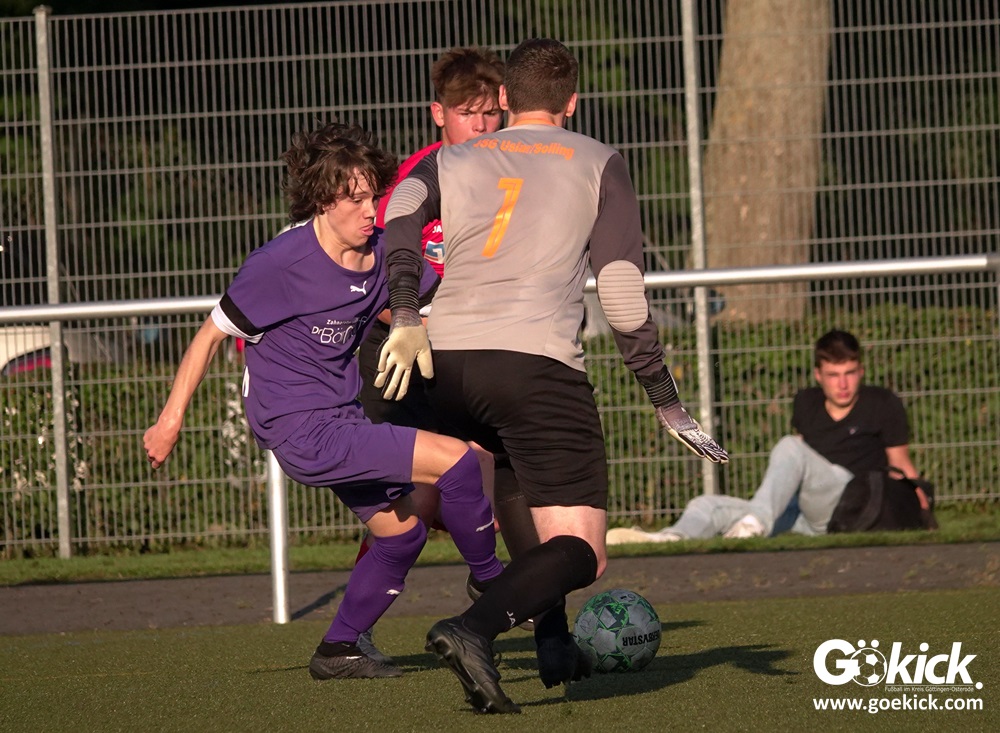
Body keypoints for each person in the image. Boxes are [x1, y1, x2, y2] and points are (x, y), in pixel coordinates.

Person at [377, 38, 727, 713]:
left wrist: (405, 309)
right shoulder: (599, 161)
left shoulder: (454, 157)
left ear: (505, 98)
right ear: (573, 102)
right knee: (583, 550)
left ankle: (551, 634)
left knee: (513, 472)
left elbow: (399, 208)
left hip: (442, 363)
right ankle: (473, 628)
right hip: (533, 366)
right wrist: (664, 396)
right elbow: (620, 293)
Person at [142, 121, 505, 681]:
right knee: (457, 461)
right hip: (298, 426)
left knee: (404, 531)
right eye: (354, 199)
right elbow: (211, 333)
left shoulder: (380, 254)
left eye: (373, 196)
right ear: (321, 200)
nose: (369, 211)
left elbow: (427, 304)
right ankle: (493, 587)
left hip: (342, 417)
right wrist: (169, 422)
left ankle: (339, 649)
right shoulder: (281, 263)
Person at [350, 47, 540, 661]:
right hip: (402, 358)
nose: (481, 126)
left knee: (495, 471)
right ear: (439, 114)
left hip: (471, 352)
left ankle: (509, 594)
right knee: (411, 506)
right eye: (466, 114)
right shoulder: (413, 184)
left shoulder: (515, 178)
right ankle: (354, 630)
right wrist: (414, 323)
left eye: (490, 114)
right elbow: (376, 288)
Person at [606, 329, 923, 545]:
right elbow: (797, 469)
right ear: (818, 375)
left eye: (849, 373)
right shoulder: (806, 402)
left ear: (861, 371)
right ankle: (670, 539)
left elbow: (901, 464)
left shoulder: (882, 402)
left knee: (790, 447)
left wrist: (921, 507)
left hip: (852, 500)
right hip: (805, 513)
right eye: (833, 375)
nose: (843, 384)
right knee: (708, 504)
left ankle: (753, 525)